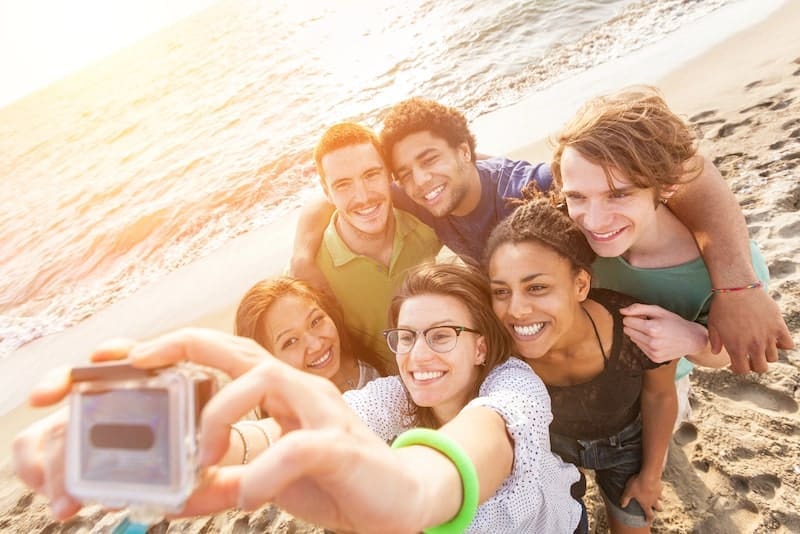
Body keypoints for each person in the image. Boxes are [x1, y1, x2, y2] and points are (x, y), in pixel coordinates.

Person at [14, 263, 585, 533]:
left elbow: (460, 458)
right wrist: (207, 442)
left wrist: (409, 493)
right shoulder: (389, 396)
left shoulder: (514, 389)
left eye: (442, 335)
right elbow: (297, 431)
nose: (418, 355)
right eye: (406, 338)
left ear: (481, 346)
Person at [291, 97, 792, 374]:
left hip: (642, 339)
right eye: (404, 172)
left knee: (659, 405)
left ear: (466, 152)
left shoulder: (536, 188)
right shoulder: (421, 192)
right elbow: (340, 194)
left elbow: (688, 170)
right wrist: (302, 256)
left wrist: (736, 285)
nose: (420, 181)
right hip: (581, 326)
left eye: (430, 161)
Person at [549, 86, 773, 424]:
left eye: (618, 195)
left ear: (666, 185)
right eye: (577, 197)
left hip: (664, 386)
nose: (593, 221)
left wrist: (692, 338)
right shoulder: (572, 233)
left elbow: (725, 354)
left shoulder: (730, 270)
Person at [485, 200, 678, 533]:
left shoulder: (636, 329)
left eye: (537, 287)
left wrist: (650, 477)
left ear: (580, 285)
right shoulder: (502, 353)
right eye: (501, 291)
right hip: (552, 448)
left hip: (625, 444)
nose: (516, 310)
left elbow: (660, 396)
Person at [301, 122, 441, 372]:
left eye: (371, 175)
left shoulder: (427, 226)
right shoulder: (309, 273)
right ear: (327, 192)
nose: (363, 196)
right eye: (343, 185)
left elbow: (469, 177)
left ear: (389, 175)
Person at [235, 276, 383, 392]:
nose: (316, 345)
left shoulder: (363, 356)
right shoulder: (299, 421)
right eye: (291, 341)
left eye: (316, 321)